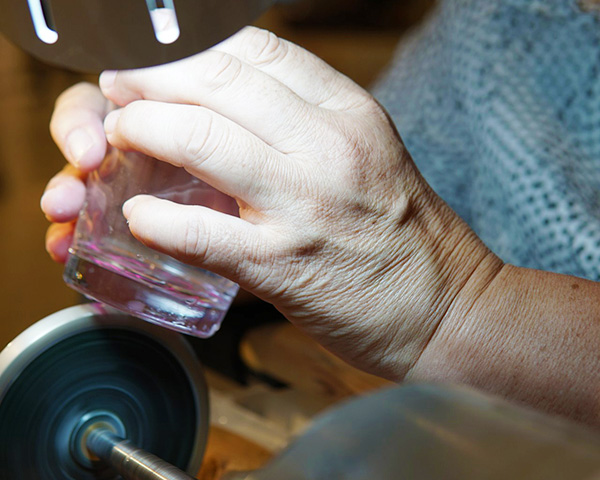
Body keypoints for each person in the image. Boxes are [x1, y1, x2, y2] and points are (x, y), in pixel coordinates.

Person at [41, 3, 600, 429]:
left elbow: (409, 267)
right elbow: (353, 232)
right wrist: (218, 211)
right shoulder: (494, 18)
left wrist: (457, 309)